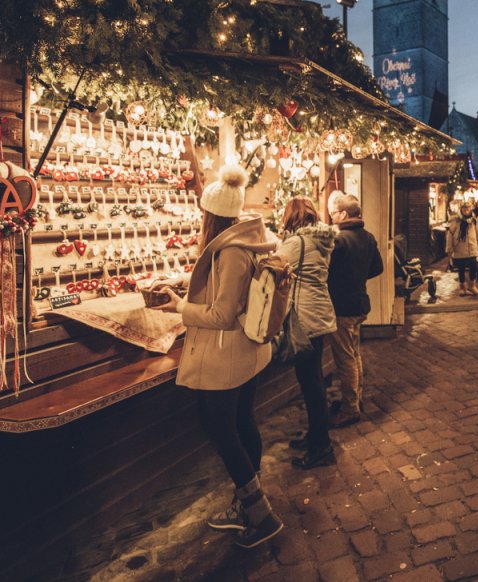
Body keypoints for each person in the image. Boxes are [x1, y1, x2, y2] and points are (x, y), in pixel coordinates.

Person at [155, 163, 282, 547]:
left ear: (211, 215)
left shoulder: (229, 252)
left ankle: (260, 517)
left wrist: (180, 307)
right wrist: (186, 283)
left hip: (226, 356)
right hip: (247, 352)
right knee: (242, 423)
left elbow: (223, 314)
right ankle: (248, 503)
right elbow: (228, 291)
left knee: (221, 429)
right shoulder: (246, 240)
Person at [277, 196, 338, 470]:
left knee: (311, 383)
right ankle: (316, 435)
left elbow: (270, 268)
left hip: (304, 318)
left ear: (292, 217)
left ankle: (321, 448)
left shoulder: (295, 243)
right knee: (313, 381)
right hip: (319, 313)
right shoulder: (321, 241)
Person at [326, 193, 384, 428]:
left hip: (342, 307)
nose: (331, 218)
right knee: (354, 354)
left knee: (345, 359)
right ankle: (355, 400)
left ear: (343, 214)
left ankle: (350, 408)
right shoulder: (368, 237)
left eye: (332, 214)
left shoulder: (338, 240)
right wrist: (357, 277)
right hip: (360, 303)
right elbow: (377, 268)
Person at [445, 201, 478, 296]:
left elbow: (477, 232)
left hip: (472, 246)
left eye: (467, 209)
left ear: (470, 209)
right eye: (464, 209)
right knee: (461, 267)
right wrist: (449, 248)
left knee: (474, 265)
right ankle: (463, 287)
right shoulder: (455, 220)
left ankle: (472, 285)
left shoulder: (474, 220)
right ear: (461, 209)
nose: (466, 211)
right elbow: (450, 234)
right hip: (459, 246)